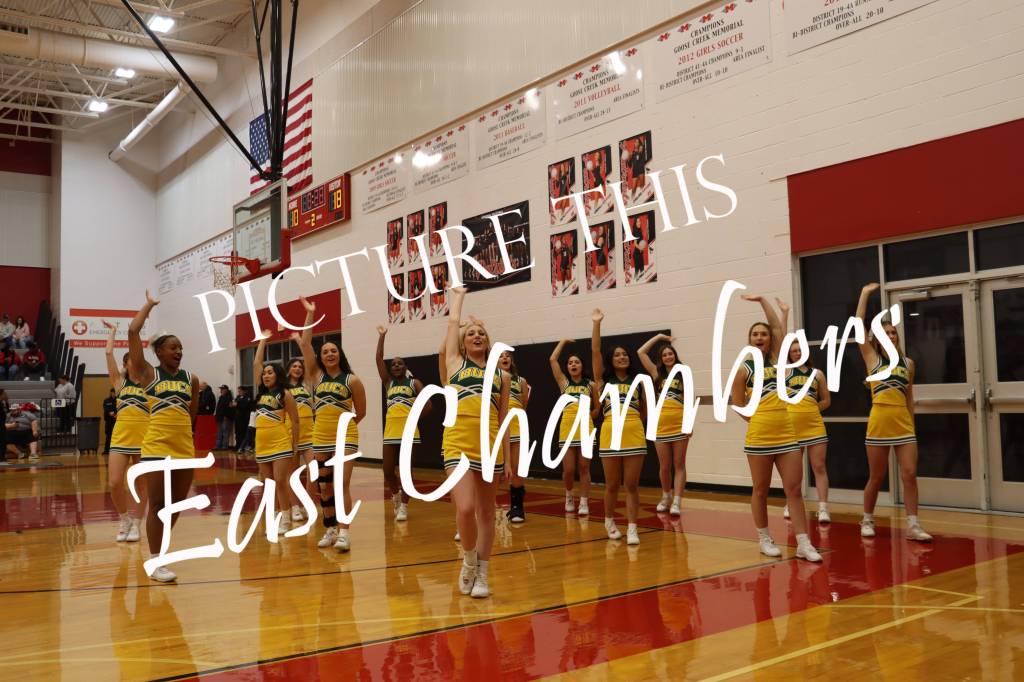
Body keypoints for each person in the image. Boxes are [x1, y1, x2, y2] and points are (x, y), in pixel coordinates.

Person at [730, 295, 821, 562]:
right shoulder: (743, 369)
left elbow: (779, 328)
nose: (760, 337)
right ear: (749, 340)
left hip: (787, 434)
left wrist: (762, 301)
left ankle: (803, 543)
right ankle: (764, 539)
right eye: (755, 334)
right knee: (760, 490)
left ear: (770, 339)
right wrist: (757, 419)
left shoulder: (780, 361)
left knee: (794, 489)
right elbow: (738, 404)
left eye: (764, 334)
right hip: (759, 436)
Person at [441, 287, 510, 599]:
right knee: (465, 508)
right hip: (457, 443)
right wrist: (458, 297)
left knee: (487, 513)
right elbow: (452, 323)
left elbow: (504, 418)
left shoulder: (502, 376)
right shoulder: (454, 363)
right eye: (471, 333)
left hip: (490, 447)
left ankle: (483, 572)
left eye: (481, 333)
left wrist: (508, 459)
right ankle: (469, 561)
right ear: (462, 342)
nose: (477, 336)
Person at [129, 290, 200, 583]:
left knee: (175, 506)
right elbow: (133, 332)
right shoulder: (148, 373)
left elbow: (192, 416)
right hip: (157, 447)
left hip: (184, 448)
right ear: (159, 352)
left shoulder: (191, 379)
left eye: (180, 347)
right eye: (173, 347)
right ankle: (157, 560)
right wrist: (148, 305)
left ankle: (158, 550)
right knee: (158, 504)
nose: (178, 351)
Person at [856, 283, 932, 542]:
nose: (891, 336)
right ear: (877, 339)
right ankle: (867, 519)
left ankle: (913, 525)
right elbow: (858, 326)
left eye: (893, 333)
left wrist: (912, 425)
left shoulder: (908, 363)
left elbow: (909, 397)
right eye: (886, 333)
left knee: (909, 474)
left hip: (903, 423)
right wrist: (865, 294)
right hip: (879, 421)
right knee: (876, 477)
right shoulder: (872, 359)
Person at [296, 296, 366, 552]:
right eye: (325, 352)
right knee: (323, 486)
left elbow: (361, 412)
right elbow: (305, 343)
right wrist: (310, 314)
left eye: (333, 350)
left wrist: (344, 428)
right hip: (320, 438)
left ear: (340, 354)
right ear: (321, 357)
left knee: (341, 484)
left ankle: (344, 532)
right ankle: (330, 529)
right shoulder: (315, 376)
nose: (329, 354)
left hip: (345, 438)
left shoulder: (352, 380)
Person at [592, 309, 647, 545]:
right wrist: (596, 324)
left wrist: (632, 424)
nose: (622, 357)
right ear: (611, 360)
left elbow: (644, 410)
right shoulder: (603, 381)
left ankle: (633, 528)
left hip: (634, 432)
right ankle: (609, 521)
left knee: (632, 485)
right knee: (612, 484)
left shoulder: (639, 381)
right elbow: (595, 351)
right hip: (610, 432)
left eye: (625, 354)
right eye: (617, 355)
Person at [375, 325, 430, 523]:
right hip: (390, 432)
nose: (396, 366)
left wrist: (414, 418)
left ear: (405, 367)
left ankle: (404, 507)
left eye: (400, 364)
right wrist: (382, 336)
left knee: (406, 472)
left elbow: (428, 405)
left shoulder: (414, 383)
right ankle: (395, 496)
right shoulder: (388, 383)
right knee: (388, 470)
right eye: (394, 364)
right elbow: (378, 358)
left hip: (409, 433)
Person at [252, 331, 301, 533]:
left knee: (280, 482)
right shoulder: (261, 392)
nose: (265, 375)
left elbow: (295, 420)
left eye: (270, 372)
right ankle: (272, 518)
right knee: (268, 483)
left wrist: (295, 443)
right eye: (264, 373)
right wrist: (263, 341)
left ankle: (286, 520)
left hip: (280, 442)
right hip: (262, 444)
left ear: (278, 375)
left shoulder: (285, 394)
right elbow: (256, 364)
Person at [102, 320, 146, 543]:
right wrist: (112, 332)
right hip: (120, 439)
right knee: (115, 482)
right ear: (126, 364)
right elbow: (108, 353)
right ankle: (124, 520)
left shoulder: (150, 385)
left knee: (141, 485)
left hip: (145, 440)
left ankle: (137, 524)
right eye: (132, 360)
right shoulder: (120, 384)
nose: (136, 363)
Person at [638, 333, 690, 516]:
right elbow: (641, 352)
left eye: (670, 353)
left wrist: (689, 423)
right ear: (661, 358)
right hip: (659, 424)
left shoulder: (684, 373)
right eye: (665, 355)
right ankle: (666, 496)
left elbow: (689, 400)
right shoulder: (656, 373)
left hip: (679, 423)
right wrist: (659, 337)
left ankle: (677, 501)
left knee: (679, 464)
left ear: (675, 355)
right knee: (665, 466)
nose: (668, 357)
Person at [783, 340, 832, 523]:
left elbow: (826, 400)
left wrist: (811, 409)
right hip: (791, 427)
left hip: (814, 426)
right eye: (794, 351)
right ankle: (791, 503)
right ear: (789, 354)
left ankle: (823, 508)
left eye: (800, 350)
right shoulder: (784, 372)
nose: (797, 353)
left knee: (819, 466)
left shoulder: (817, 374)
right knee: (793, 471)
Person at [549, 339, 596, 516]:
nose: (573, 365)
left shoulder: (590, 385)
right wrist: (562, 342)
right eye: (570, 363)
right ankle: (569, 496)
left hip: (585, 429)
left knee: (584, 468)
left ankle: (584, 502)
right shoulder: (564, 383)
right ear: (567, 367)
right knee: (568, 470)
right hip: (567, 428)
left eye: (576, 362)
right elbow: (553, 359)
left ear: (582, 366)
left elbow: (597, 407)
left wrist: (587, 418)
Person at [498, 350, 530, 523]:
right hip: (496, 427)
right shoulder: (491, 379)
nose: (505, 357)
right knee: (493, 470)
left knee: (517, 467)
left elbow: (523, 405)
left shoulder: (521, 381)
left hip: (517, 426)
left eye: (507, 355)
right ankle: (484, 508)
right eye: (500, 355)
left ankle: (517, 507)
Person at [283, 352, 315, 518]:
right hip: (291, 434)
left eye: (300, 367)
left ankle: (307, 504)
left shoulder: (307, 384)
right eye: (294, 366)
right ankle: (295, 507)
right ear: (288, 369)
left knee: (314, 471)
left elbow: (311, 363)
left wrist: (302, 346)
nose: (298, 369)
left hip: (310, 433)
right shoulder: (283, 388)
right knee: (292, 474)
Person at [232, 386, 254, 452]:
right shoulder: (238, 397)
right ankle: (237, 445)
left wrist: (237, 404)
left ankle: (242, 446)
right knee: (237, 433)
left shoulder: (247, 398)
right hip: (237, 418)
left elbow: (245, 406)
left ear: (244, 391)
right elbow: (234, 403)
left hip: (243, 418)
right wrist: (233, 405)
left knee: (243, 433)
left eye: (240, 391)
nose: (239, 392)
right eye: (238, 391)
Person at [214, 385, 234, 450]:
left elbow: (229, 409)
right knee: (219, 432)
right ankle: (218, 446)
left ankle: (224, 446)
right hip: (220, 417)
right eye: (221, 389)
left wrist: (226, 416)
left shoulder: (229, 398)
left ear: (226, 390)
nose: (221, 391)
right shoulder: (221, 397)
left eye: (222, 389)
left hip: (225, 418)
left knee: (225, 432)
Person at [102, 388, 117, 455]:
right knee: (108, 435)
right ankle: (106, 450)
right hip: (109, 421)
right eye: (112, 392)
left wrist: (115, 413)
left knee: (116, 436)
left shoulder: (118, 400)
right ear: (111, 393)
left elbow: (119, 408)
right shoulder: (106, 400)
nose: (113, 393)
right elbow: (105, 408)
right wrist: (109, 413)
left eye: (114, 392)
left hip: (116, 420)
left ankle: (115, 450)